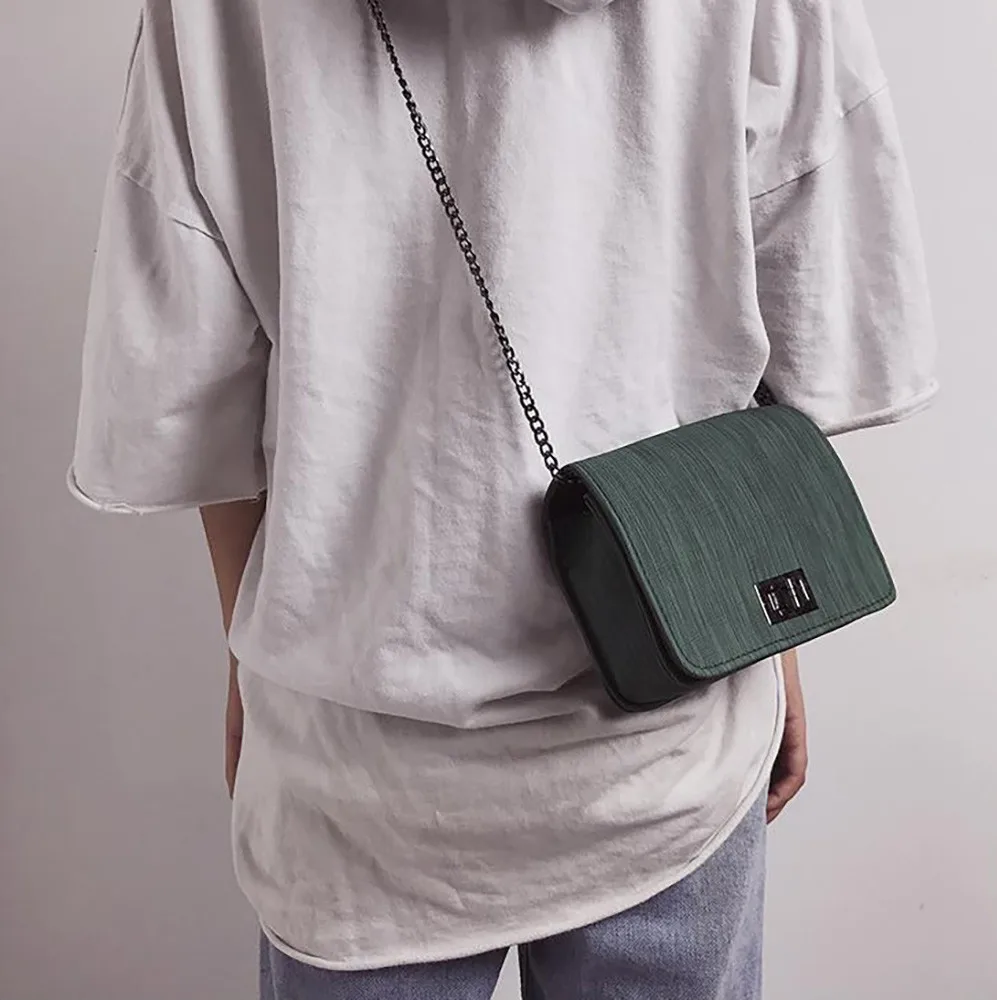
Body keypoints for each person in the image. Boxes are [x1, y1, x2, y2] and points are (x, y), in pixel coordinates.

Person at [68, 0, 937, 997]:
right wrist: (757, 626)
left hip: (356, 789)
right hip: (669, 742)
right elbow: (814, 296)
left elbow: (189, 374)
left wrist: (248, 643)